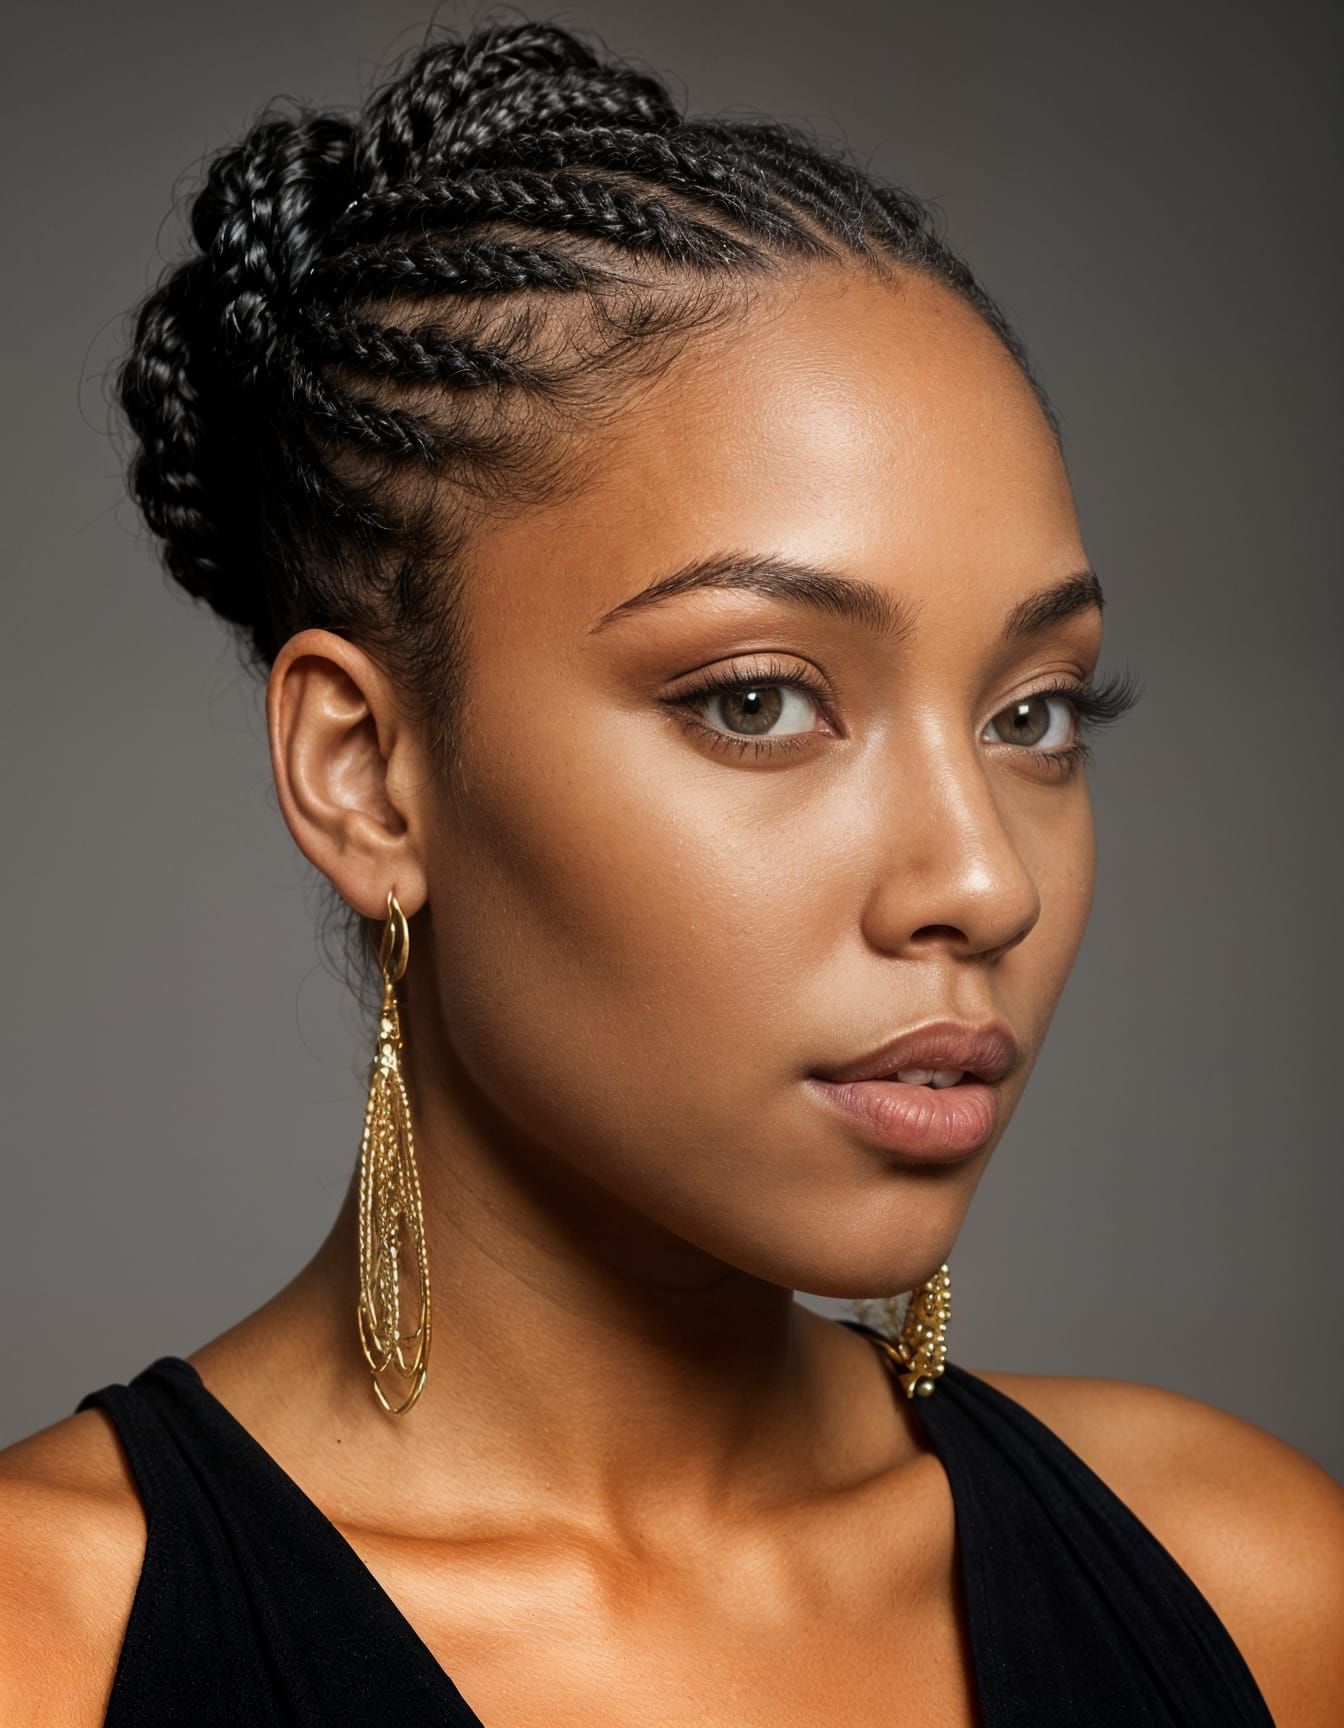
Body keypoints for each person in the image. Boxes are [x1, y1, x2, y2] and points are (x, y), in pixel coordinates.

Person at [2, 17, 1340, 1726]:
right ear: (366, 776)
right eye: (759, 700)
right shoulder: (45, 1653)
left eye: (1034, 714)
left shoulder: (1253, 1592)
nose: (982, 881)